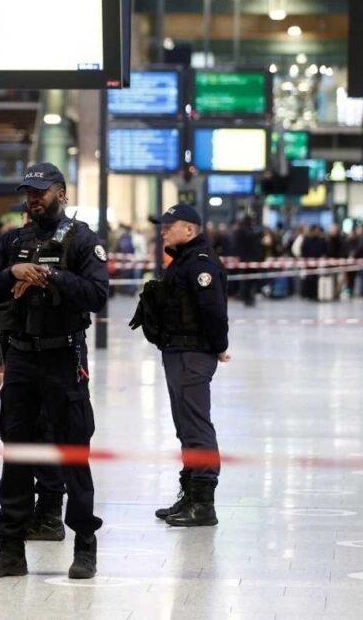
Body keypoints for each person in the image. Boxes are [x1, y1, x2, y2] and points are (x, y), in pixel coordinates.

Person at [0, 163, 109, 580]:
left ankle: (85, 544)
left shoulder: (83, 240)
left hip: (64, 358)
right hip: (21, 359)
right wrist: (13, 272)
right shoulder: (12, 241)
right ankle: (11, 549)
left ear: (61, 193)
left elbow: (98, 296)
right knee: (16, 453)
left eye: (41, 191)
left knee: (72, 452)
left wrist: (51, 276)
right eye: (28, 192)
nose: (33, 199)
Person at [134, 203, 229, 528]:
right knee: (184, 427)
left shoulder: (200, 263)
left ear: (189, 229)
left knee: (197, 427)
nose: (162, 231)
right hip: (177, 351)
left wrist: (219, 346)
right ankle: (189, 495)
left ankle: (204, 503)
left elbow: (212, 310)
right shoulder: (183, 261)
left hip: (192, 353)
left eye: (168, 226)